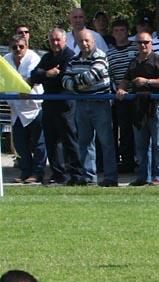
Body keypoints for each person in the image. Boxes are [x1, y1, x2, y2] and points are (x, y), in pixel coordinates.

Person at [62, 29, 118, 187]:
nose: (84, 44)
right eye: (81, 41)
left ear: (93, 41)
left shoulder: (100, 56)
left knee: (106, 142)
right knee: (84, 142)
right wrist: (80, 84)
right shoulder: (74, 59)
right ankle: (88, 177)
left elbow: (92, 76)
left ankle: (110, 178)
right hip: (81, 103)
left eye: (87, 40)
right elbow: (65, 80)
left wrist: (75, 83)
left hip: (100, 103)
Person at [30, 28, 86, 186]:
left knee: (69, 140)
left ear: (64, 40)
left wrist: (45, 75)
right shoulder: (47, 57)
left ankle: (77, 174)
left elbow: (64, 78)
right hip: (49, 103)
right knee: (51, 141)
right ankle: (58, 174)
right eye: (52, 40)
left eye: (57, 39)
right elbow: (34, 75)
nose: (55, 43)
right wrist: (47, 74)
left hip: (65, 104)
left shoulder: (69, 56)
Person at [116, 31, 159, 186]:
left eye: (146, 42)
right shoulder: (133, 62)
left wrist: (147, 81)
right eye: (140, 42)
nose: (143, 45)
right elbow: (125, 80)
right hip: (139, 107)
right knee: (141, 145)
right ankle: (143, 177)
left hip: (156, 106)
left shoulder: (158, 59)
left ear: (151, 43)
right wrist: (121, 89)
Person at [3, 34, 46, 184]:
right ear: (10, 48)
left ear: (26, 46)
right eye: (14, 47)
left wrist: (22, 86)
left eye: (21, 46)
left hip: (34, 106)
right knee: (20, 143)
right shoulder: (6, 60)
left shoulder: (33, 58)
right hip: (16, 108)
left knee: (39, 142)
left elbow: (30, 81)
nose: (18, 50)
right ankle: (25, 171)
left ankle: (38, 173)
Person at [107, 19, 139, 173]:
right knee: (125, 131)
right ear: (112, 33)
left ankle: (141, 161)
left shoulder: (136, 48)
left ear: (128, 32)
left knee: (139, 130)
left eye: (122, 30)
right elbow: (110, 77)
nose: (119, 33)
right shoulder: (109, 53)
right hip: (120, 97)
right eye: (116, 31)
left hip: (137, 95)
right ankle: (127, 163)